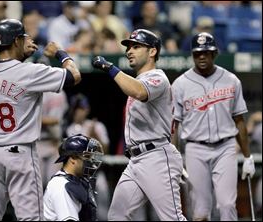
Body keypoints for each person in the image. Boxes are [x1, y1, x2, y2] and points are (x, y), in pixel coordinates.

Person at [0, 18, 81, 220]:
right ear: (15, 41)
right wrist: (60, 53)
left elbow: (10, 74)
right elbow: (74, 76)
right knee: (31, 218)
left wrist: (22, 56)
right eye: (23, 38)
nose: (26, 41)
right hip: (19, 153)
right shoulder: (30, 72)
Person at [92, 29, 187, 221]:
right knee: (117, 216)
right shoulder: (139, 80)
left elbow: (139, 92)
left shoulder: (157, 78)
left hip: (156, 156)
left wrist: (110, 68)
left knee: (173, 219)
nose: (129, 51)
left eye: (136, 46)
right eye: (128, 47)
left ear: (152, 51)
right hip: (136, 160)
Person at [171, 32, 256, 221]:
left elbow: (239, 121)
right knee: (200, 211)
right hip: (195, 149)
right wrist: (175, 157)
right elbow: (174, 126)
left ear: (215, 53)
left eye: (206, 52)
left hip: (225, 148)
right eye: (197, 53)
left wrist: (248, 156)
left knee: (226, 205)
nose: (201, 56)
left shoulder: (232, 80)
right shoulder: (180, 84)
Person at [64, 93, 110, 221]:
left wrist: (95, 133)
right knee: (79, 211)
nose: (80, 112)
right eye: (77, 108)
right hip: (78, 176)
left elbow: (105, 150)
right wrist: (89, 137)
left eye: (82, 108)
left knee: (102, 209)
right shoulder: (70, 129)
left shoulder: (97, 125)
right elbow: (75, 154)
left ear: (87, 109)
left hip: (97, 172)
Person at [43, 134, 104, 221]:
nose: (91, 161)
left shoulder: (78, 180)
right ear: (73, 158)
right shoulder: (60, 186)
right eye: (87, 157)